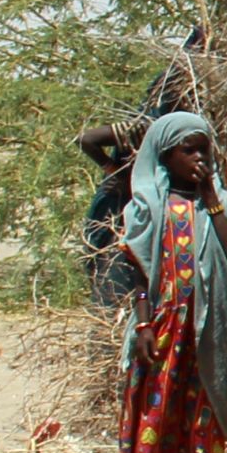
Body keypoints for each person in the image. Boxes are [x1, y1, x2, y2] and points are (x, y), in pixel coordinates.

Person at [113, 110, 227, 453]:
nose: (198, 159)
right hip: (164, 321)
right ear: (165, 155)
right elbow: (138, 268)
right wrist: (143, 324)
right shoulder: (150, 203)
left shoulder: (217, 203)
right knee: (155, 400)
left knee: (206, 401)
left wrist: (211, 197)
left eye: (204, 149)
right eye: (188, 150)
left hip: (210, 326)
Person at [73, 117, 146, 309]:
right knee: (114, 287)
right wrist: (116, 172)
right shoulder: (143, 125)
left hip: (139, 215)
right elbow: (85, 139)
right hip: (118, 216)